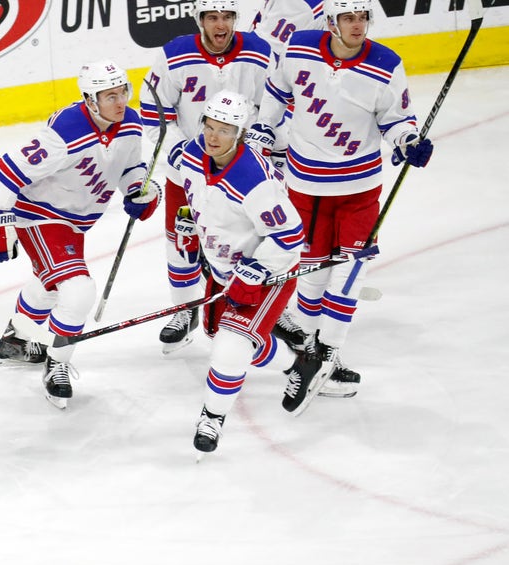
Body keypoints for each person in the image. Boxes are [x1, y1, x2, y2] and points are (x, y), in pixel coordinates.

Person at [254, 0, 432, 401]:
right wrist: (265, 126)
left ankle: (327, 355)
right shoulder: (298, 47)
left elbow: (397, 118)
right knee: (312, 275)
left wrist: (408, 141)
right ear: (331, 23)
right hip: (305, 186)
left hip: (359, 188)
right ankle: (308, 352)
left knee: (351, 272)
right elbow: (276, 91)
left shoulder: (386, 63)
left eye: (363, 17)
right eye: (348, 18)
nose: (357, 25)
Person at [0, 59, 160, 409]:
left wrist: (140, 190)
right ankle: (57, 363)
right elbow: (4, 171)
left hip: (75, 222)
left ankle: (15, 341)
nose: (120, 101)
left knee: (52, 285)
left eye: (123, 92)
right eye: (110, 96)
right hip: (39, 217)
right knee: (78, 289)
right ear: (91, 100)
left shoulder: (131, 124)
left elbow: (130, 168)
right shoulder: (65, 133)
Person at [170, 91, 331, 453]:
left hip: (266, 272)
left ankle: (212, 418)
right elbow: (196, 198)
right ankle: (298, 366)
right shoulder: (193, 155)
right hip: (223, 267)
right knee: (220, 333)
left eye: (225, 130)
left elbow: (290, 236)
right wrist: (188, 224)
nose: (213, 136)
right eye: (209, 126)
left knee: (230, 347)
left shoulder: (254, 179)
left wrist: (254, 271)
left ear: (240, 133)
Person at [141, 0, 274, 353]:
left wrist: (263, 135)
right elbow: (155, 112)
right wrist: (175, 151)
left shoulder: (260, 51)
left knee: (248, 241)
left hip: (241, 172)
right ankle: (184, 310)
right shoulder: (175, 54)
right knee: (182, 239)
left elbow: (277, 104)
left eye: (227, 16)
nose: (221, 24)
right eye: (213, 17)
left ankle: (260, 306)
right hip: (187, 172)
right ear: (200, 19)